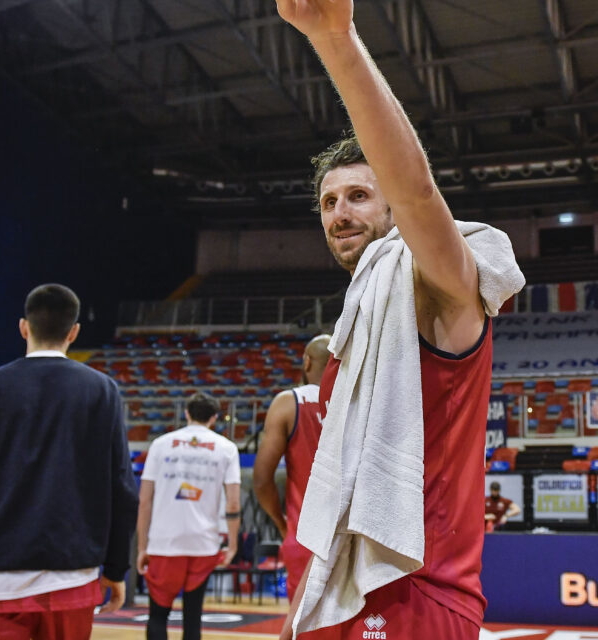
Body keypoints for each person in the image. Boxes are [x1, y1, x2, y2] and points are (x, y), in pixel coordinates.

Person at [274, 2, 523, 638]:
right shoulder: (358, 327)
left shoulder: (439, 286)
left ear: (390, 210)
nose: (339, 213)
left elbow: (416, 192)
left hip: (420, 593)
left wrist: (336, 41)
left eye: (358, 195)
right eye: (328, 202)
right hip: (340, 590)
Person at [0, 284, 138, 638]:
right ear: (74, 332)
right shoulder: (103, 390)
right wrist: (115, 565)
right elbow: (122, 487)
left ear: (23, 327)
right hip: (71, 577)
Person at [137, 392, 241, 640]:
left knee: (158, 616)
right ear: (214, 418)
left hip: (164, 542)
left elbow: (144, 500)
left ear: (186, 414)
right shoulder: (227, 448)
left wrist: (142, 546)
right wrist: (233, 545)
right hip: (203, 543)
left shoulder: (160, 444)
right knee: (193, 618)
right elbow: (234, 502)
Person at [254, 334, 332, 592]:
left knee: (303, 630)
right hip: (353, 542)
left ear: (307, 362)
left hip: (306, 538)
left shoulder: (290, 402)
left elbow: (262, 479)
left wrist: (280, 522)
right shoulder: (358, 403)